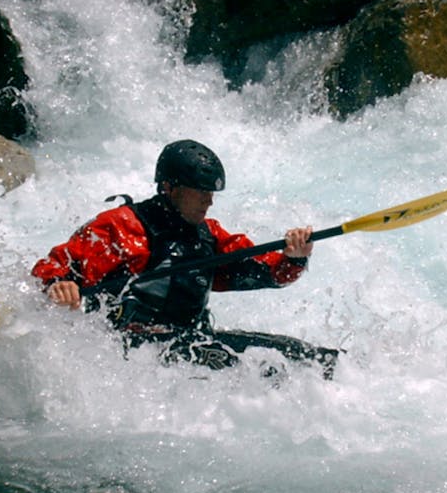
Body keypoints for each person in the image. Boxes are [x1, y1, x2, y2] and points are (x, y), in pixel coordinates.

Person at [31, 139, 339, 378]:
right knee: (243, 363)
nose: (209, 200)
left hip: (190, 341)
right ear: (169, 187)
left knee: (307, 358)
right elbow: (55, 266)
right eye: (200, 191)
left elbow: (268, 272)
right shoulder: (121, 226)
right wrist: (60, 285)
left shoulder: (208, 235)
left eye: (211, 192)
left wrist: (294, 258)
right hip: (129, 348)